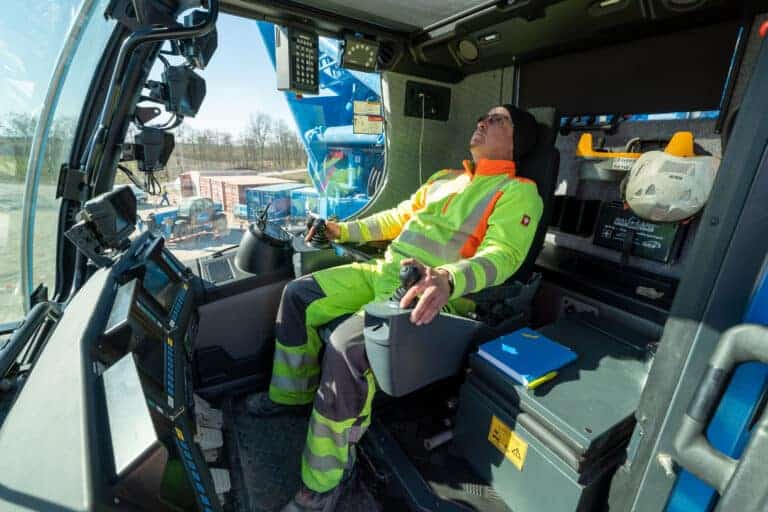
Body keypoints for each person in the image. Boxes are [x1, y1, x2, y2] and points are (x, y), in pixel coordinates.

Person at [249, 105, 544, 512]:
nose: (482, 122)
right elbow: (396, 218)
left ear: (517, 140)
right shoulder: (444, 179)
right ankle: (291, 396)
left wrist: (448, 278)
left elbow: (503, 255)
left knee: (344, 349)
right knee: (299, 295)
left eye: (498, 120)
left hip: (426, 295)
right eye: (484, 116)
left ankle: (325, 482)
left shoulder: (518, 192)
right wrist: (341, 230)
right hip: (383, 271)